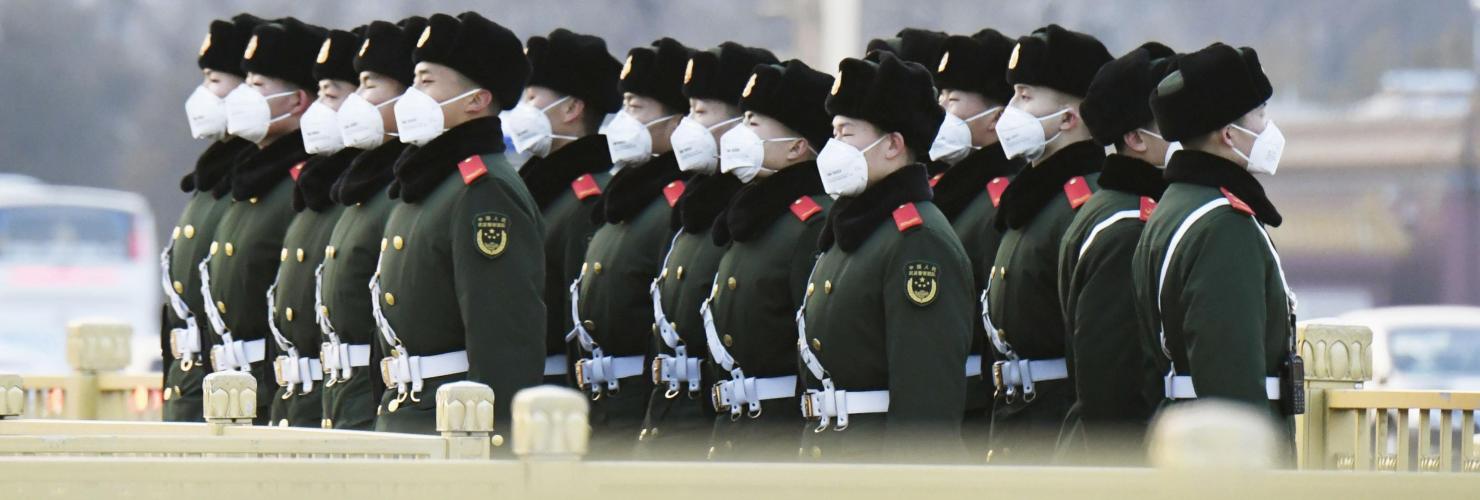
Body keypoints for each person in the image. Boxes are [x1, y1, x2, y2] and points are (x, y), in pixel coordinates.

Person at [372, 12, 545, 436]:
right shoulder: (431, 183)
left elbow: (503, 338)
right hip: (407, 415)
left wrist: (494, 443)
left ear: (476, 100)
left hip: (451, 427)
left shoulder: (483, 190)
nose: (412, 95)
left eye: (427, 82)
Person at [797, 52, 972, 463]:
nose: (834, 148)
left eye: (847, 134)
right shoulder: (857, 228)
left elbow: (925, 406)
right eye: (833, 133)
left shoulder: (916, 240)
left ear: (893, 144)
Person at [1133, 42, 1300, 455]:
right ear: (1229, 134)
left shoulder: (1176, 206)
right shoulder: (1223, 226)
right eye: (1259, 114)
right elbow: (1233, 383)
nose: (1268, 126)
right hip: (1220, 455)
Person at [639, 41, 777, 459]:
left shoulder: (753, 212)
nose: (687, 126)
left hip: (714, 425)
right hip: (671, 420)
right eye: (688, 110)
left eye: (701, 112)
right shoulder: (693, 206)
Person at [983, 24, 1111, 463]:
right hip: (1018, 421)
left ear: (1069, 118)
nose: (1010, 110)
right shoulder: (1033, 198)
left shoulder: (1082, 203)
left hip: (1054, 426)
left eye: (1025, 95)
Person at [567, 37, 693, 458]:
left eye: (637, 108)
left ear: (677, 123)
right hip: (599, 406)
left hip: (638, 405)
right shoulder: (624, 198)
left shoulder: (673, 205)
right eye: (623, 106)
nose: (623, 120)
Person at [702, 59, 833, 461]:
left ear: (797, 146)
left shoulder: (808, 223)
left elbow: (811, 349)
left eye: (756, 123)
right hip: (737, 432)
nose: (740, 134)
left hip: (778, 436)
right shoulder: (752, 216)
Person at [1055, 42, 1178, 462]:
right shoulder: (1130, 228)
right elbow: (1112, 385)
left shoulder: (1120, 207)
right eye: (1170, 121)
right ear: (1134, 138)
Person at [201, 17, 324, 425]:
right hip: (229, 384)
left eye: (257, 86)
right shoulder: (251, 179)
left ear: (297, 101)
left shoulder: (297, 183)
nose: (240, 96)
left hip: (273, 388)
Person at [317, 16, 426, 431]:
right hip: (342, 398)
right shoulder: (360, 188)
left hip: (388, 400)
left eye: (369, 86)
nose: (355, 101)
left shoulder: (398, 191)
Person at [923, 28, 1023, 461]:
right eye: (939, 96)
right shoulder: (950, 187)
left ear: (996, 117)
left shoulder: (1000, 196)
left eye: (954, 100)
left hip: (980, 399)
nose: (940, 109)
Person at [505, 28, 622, 387]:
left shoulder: (587, 200)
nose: (522, 110)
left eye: (533, 97)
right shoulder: (540, 189)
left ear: (572, 108)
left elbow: (583, 320)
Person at [161, 13, 262, 422]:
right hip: (193, 379)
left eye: (216, 81)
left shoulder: (255, 180)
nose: (204, 94)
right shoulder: (212, 178)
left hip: (233, 387)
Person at [265, 26, 361, 428]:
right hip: (296, 396)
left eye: (332, 94)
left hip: (354, 397)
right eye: (319, 92)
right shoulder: (315, 186)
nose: (320, 108)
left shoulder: (368, 192)